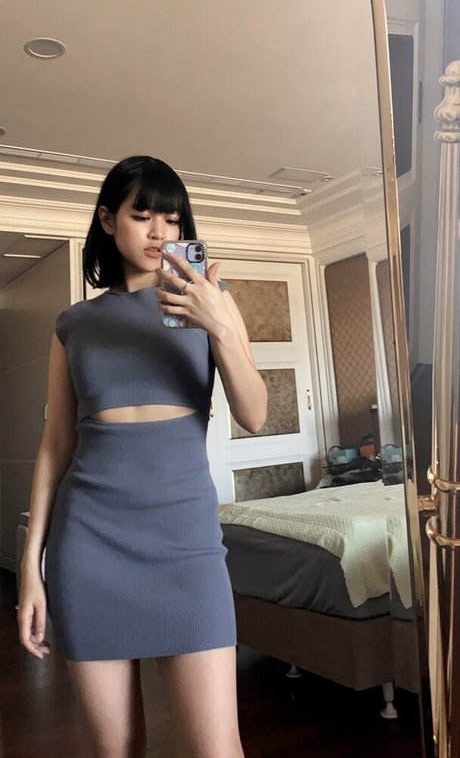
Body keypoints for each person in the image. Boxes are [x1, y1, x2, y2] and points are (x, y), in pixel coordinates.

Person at [17, 155, 268, 758]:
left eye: (173, 220)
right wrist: (31, 564)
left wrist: (218, 326)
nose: (160, 232)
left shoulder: (212, 300)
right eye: (143, 215)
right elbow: (56, 445)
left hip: (186, 545)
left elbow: (255, 414)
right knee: (117, 749)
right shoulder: (75, 324)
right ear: (108, 220)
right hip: (91, 545)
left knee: (216, 748)